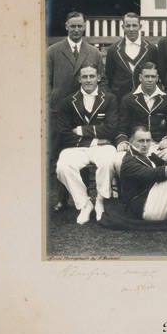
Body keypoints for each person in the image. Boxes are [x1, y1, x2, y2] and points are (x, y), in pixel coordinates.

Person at [46, 11, 104, 210]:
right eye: (73, 26)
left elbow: (101, 81)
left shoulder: (93, 52)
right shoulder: (53, 51)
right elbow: (45, 82)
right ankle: (60, 198)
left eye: (80, 26)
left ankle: (84, 196)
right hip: (59, 110)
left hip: (85, 108)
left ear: (84, 27)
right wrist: (51, 102)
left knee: (83, 149)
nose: (77, 29)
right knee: (58, 153)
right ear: (66, 26)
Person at [55, 65, 118, 224]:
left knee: (108, 161)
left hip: (103, 147)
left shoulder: (110, 98)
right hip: (78, 147)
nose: (88, 80)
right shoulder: (68, 102)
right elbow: (64, 133)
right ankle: (84, 204)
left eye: (91, 76)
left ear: (98, 78)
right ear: (79, 79)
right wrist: (95, 140)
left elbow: (111, 129)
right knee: (63, 166)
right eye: (85, 77)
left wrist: (82, 130)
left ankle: (100, 201)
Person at [114, 62, 167, 172]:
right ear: (140, 78)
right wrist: (122, 141)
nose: (150, 80)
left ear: (157, 78)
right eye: (147, 76)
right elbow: (122, 127)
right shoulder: (128, 99)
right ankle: (124, 189)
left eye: (153, 76)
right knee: (118, 161)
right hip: (135, 145)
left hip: (159, 145)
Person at [104, 11, 158, 101]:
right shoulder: (113, 50)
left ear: (140, 26)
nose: (131, 29)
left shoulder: (151, 49)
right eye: (128, 26)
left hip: (145, 99)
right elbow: (109, 76)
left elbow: (156, 73)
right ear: (123, 27)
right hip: (120, 98)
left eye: (134, 25)